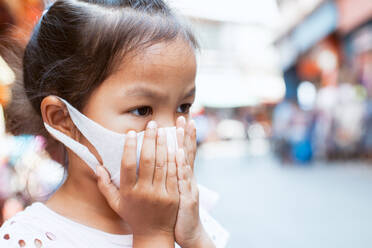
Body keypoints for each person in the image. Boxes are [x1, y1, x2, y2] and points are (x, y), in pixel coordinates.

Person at [0, 0, 227, 247]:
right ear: (63, 120)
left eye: (183, 107)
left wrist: (195, 238)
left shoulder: (188, 219)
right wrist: (153, 234)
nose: (169, 130)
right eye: (143, 110)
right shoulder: (31, 238)